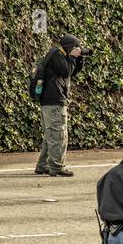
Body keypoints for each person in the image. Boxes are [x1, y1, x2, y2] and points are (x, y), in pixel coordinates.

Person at [33, 34, 85, 177]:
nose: (78, 49)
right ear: (69, 46)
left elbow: (71, 72)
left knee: (51, 134)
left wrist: (79, 59)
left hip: (50, 101)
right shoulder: (57, 54)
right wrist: (73, 58)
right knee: (58, 134)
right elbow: (66, 71)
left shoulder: (57, 54)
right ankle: (56, 167)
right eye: (76, 47)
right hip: (54, 101)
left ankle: (43, 165)